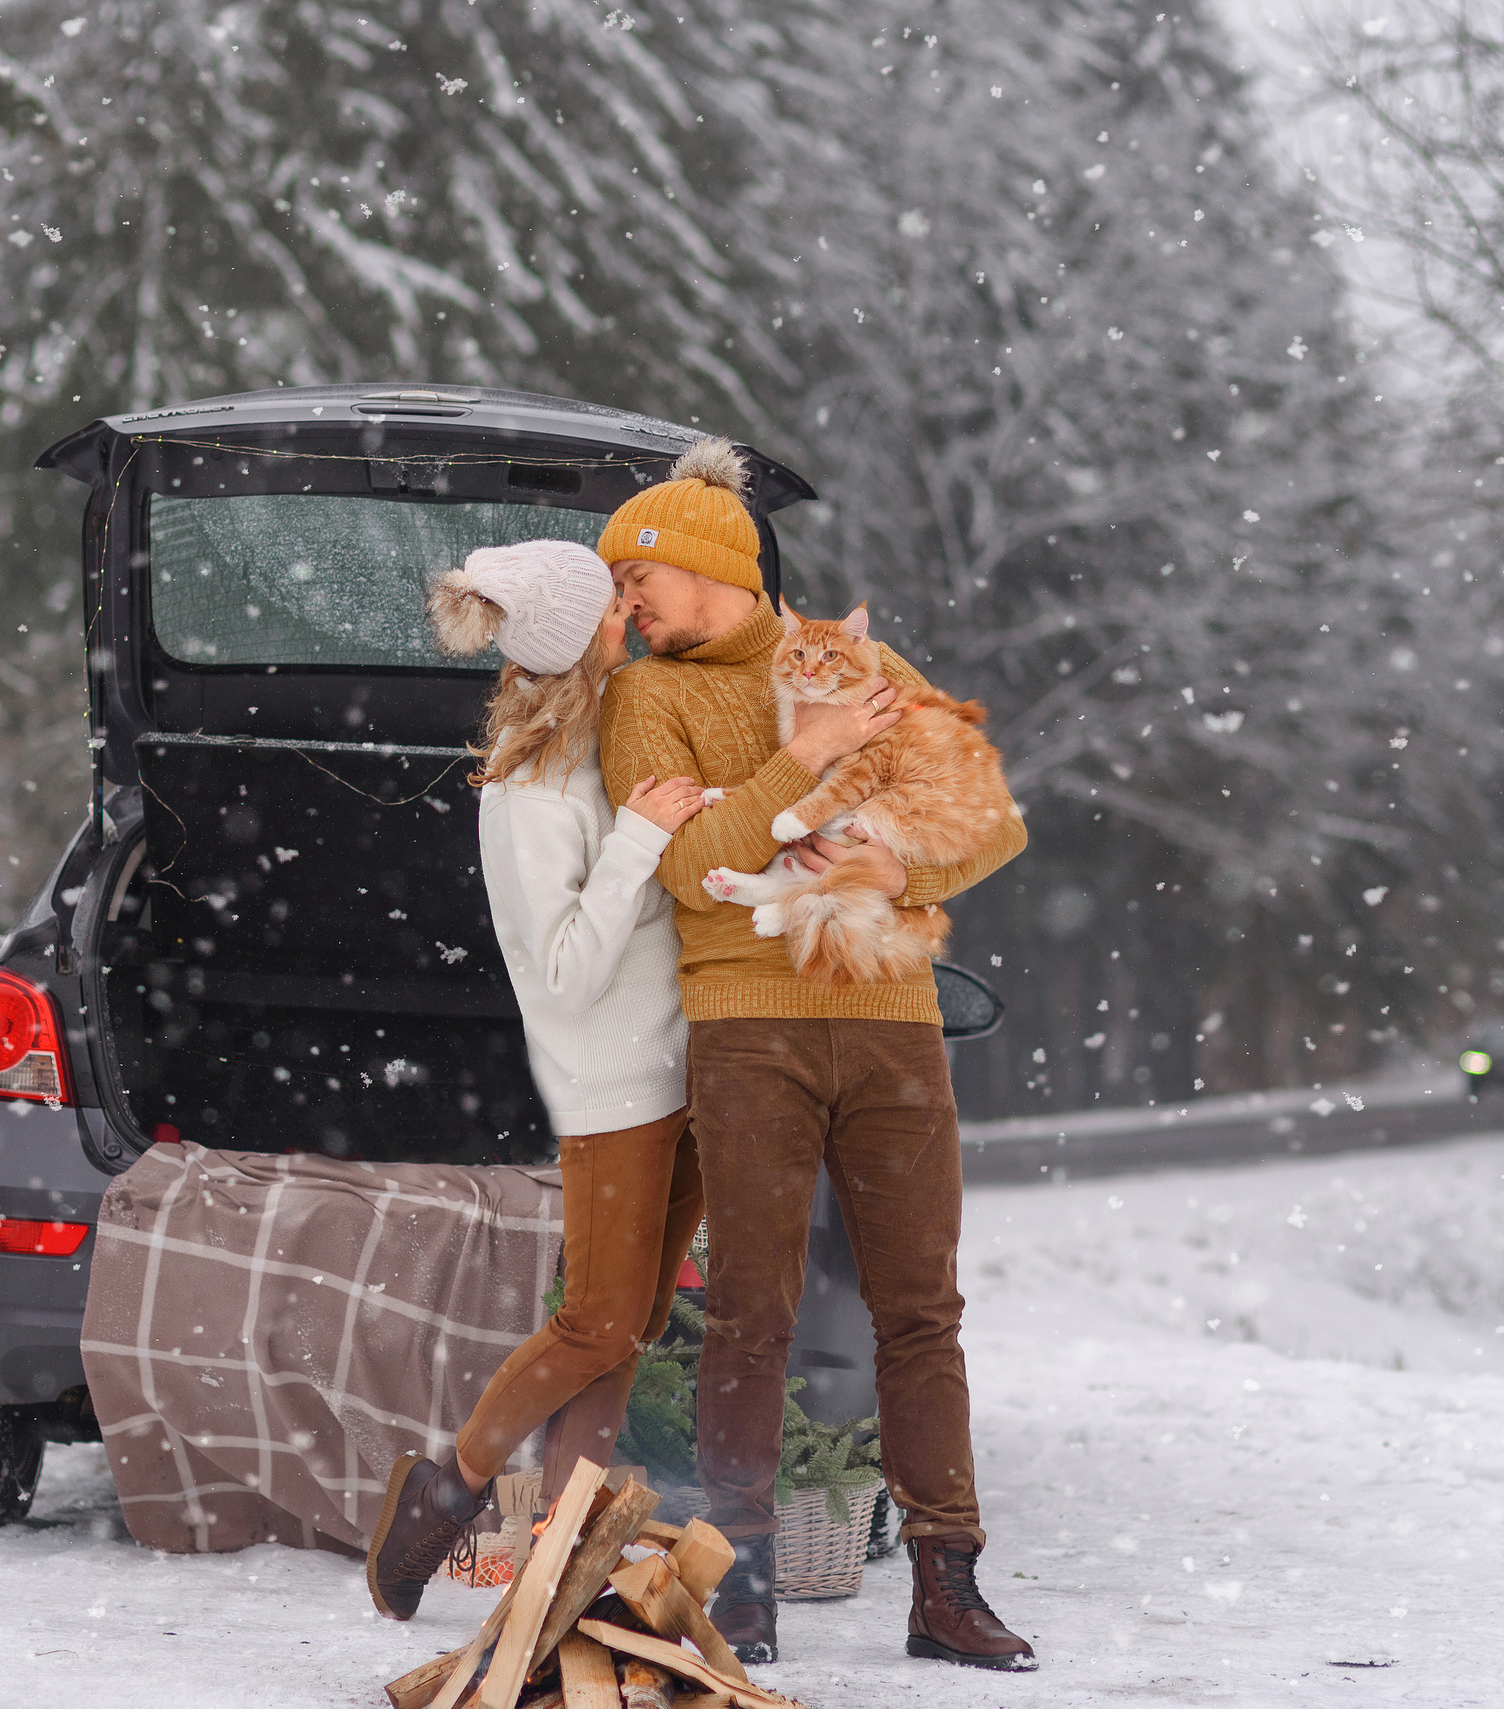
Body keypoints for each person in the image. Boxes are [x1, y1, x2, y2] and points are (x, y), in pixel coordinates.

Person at [596, 440, 1038, 1671]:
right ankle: (738, 1584)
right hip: (749, 1027)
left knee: (922, 1310)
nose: (628, 604)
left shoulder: (871, 666)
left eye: (640, 579)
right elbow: (687, 868)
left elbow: (992, 818)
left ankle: (946, 1585)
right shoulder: (650, 699)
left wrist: (907, 865)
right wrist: (806, 751)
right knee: (750, 1308)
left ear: (705, 565)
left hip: (894, 1020)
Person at [363, 538, 713, 1622]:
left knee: (633, 1320)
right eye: (617, 605)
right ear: (581, 635)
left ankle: (562, 1550)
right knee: (595, 1323)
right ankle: (447, 1488)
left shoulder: (621, 739)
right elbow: (562, 975)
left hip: (691, 1069)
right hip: (612, 1083)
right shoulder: (528, 793)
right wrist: (641, 840)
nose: (635, 616)